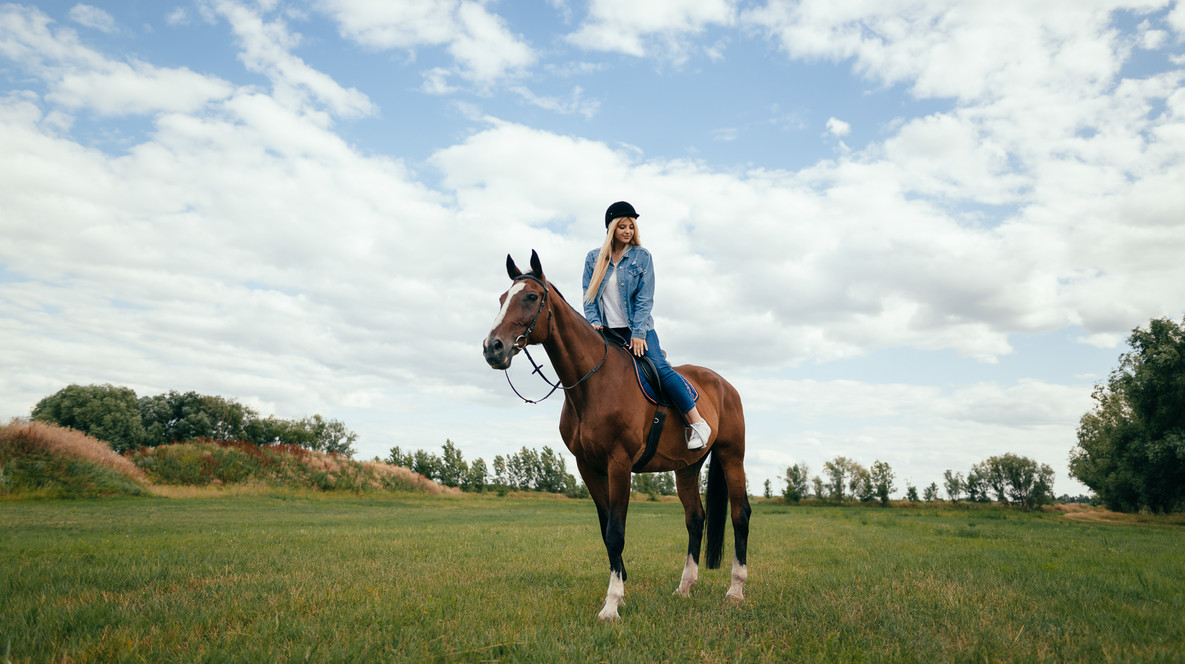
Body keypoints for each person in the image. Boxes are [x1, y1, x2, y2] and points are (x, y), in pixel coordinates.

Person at [582, 201, 711, 450]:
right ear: (611, 229)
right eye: (622, 226)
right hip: (606, 333)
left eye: (631, 227)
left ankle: (697, 422)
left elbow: (645, 299)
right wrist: (594, 322)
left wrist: (639, 333)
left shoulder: (642, 257)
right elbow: (589, 297)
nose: (628, 231)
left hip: (638, 330)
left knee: (660, 368)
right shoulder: (593, 259)